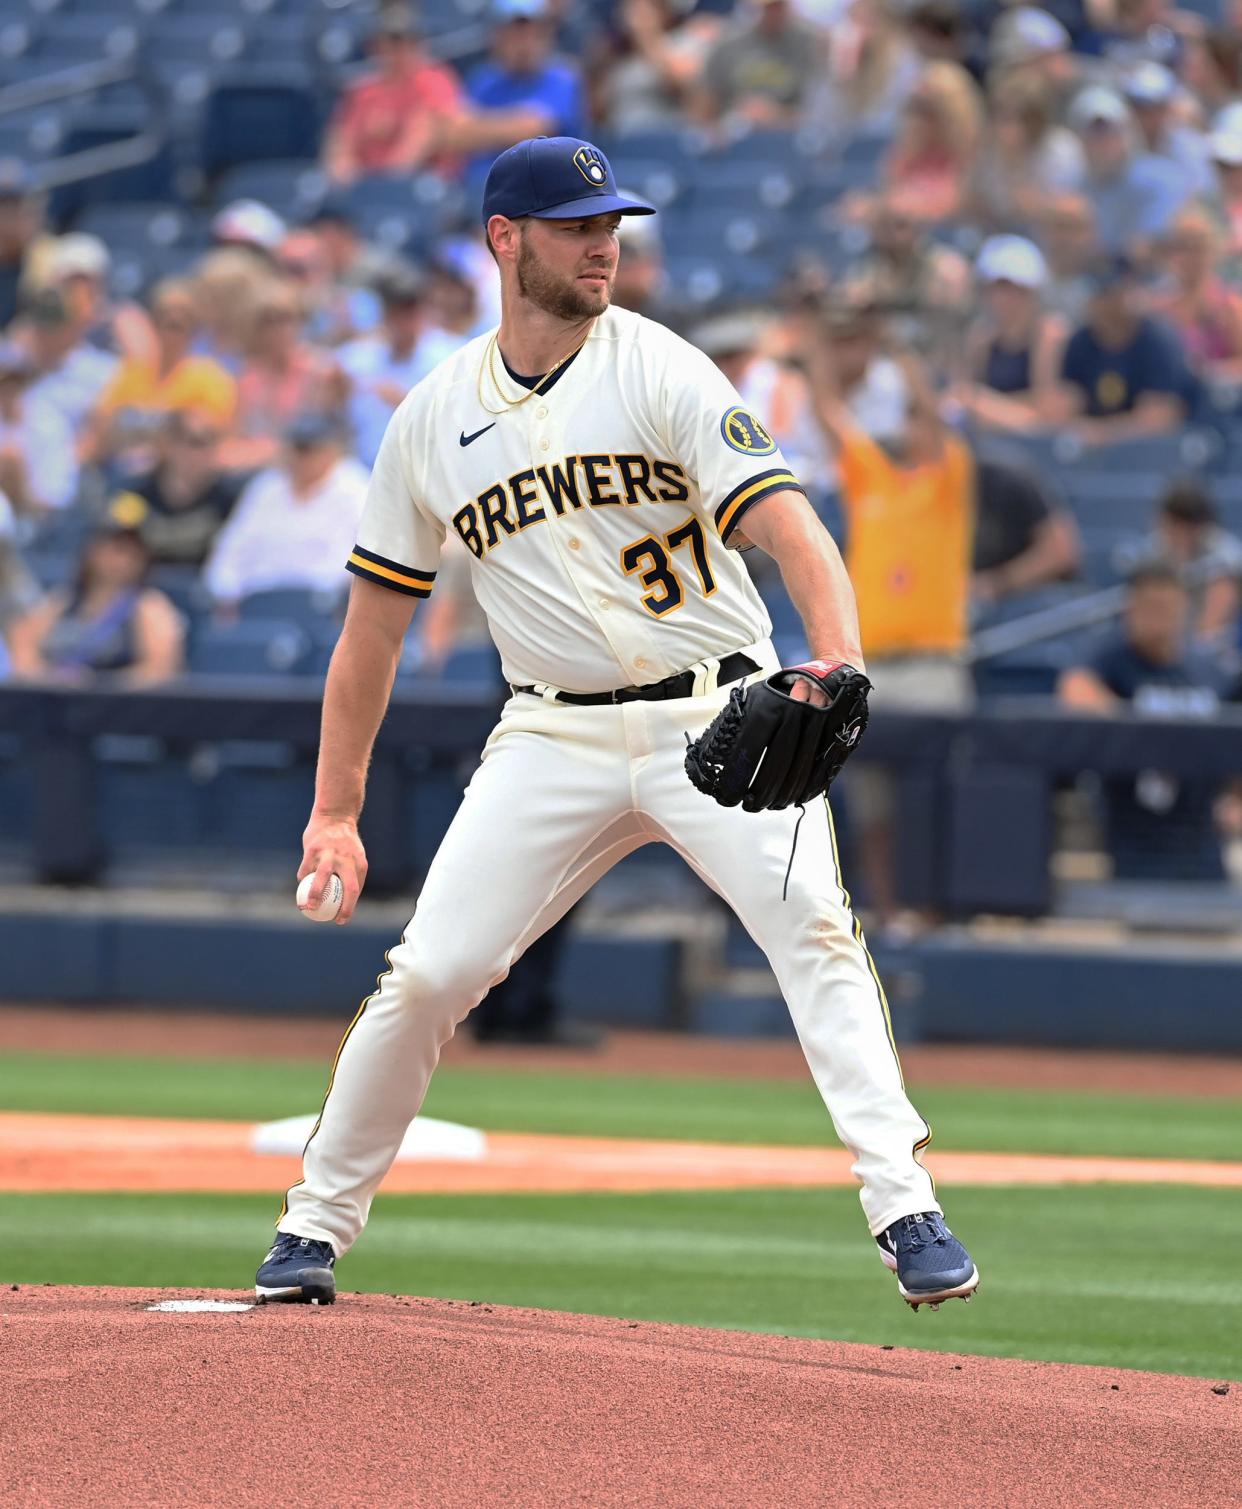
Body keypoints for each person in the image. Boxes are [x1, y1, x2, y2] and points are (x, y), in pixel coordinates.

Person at [253, 134, 977, 1313]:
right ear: (506, 240)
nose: (606, 245)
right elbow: (371, 635)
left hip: (717, 704)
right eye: (579, 226)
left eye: (613, 226)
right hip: (551, 736)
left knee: (814, 931)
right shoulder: (431, 420)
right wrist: (334, 810)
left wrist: (834, 660)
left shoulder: (662, 368)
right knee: (430, 973)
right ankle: (312, 1229)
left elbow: (793, 528)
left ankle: (904, 1204)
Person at [806, 333, 974, 926]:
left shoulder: (948, 482)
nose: (913, 428)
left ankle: (930, 911)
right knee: (871, 801)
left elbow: (934, 415)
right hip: (873, 664)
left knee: (928, 797)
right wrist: (821, 342)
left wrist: (904, 357)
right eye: (906, 419)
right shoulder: (873, 480)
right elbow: (829, 412)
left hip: (932, 665)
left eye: (919, 420)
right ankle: (881, 912)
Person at [1058, 561, 1231, 881]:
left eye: (1165, 607)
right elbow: (1075, 689)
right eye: (1148, 606)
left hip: (1202, 839)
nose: (1157, 618)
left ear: (1184, 607)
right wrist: (1147, 734)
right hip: (1136, 840)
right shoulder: (1112, 659)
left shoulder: (1208, 670)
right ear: (1131, 608)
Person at [203, 412, 368, 609]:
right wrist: (225, 592)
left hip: (320, 604)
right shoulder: (266, 487)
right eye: (296, 447)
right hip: (255, 599)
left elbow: (360, 562)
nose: (300, 456)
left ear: (332, 450)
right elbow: (230, 549)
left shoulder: (355, 488)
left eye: (309, 449)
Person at [6, 501, 184, 683]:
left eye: (131, 550)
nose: (121, 558)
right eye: (114, 546)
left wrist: (96, 686)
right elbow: (22, 647)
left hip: (119, 706)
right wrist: (52, 680)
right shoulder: (63, 601)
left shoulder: (149, 606)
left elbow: (159, 669)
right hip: (56, 705)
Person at [86, 278, 237, 466]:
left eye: (184, 316)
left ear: (195, 326)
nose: (174, 320)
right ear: (154, 322)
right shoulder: (133, 372)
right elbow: (101, 426)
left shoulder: (209, 377)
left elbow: (208, 434)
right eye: (165, 314)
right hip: (121, 471)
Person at [1052, 255, 1192, 442]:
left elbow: (1160, 417)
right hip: (1093, 457)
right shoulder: (1081, 342)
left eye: (1113, 293)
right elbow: (1063, 405)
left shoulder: (1157, 340)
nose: (1107, 304)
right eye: (1100, 294)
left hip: (1153, 455)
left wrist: (1101, 433)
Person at [335, 264, 464, 468]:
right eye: (396, 311)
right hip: (364, 473)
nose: (403, 320)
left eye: (410, 310)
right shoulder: (357, 359)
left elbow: (461, 428)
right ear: (385, 313)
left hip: (427, 470)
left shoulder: (451, 356)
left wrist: (405, 403)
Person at [321, 3, 465, 184]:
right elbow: (341, 143)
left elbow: (424, 135)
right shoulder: (363, 90)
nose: (394, 52)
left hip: (419, 185)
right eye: (387, 43)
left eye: (402, 43)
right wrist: (345, 176)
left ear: (417, 44)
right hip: (363, 186)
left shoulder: (434, 80)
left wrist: (383, 183)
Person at [956, 234, 1067, 432]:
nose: (1002, 299)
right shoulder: (981, 336)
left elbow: (1046, 414)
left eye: (1012, 290)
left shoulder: (1049, 334)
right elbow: (960, 396)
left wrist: (982, 404)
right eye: (995, 289)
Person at [225, 281, 336, 472]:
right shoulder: (246, 377)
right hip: (256, 473)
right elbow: (232, 443)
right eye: (268, 320)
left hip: (310, 470)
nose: (278, 328)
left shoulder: (320, 372)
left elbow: (326, 442)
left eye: (285, 318)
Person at [1067, 84, 1189, 256]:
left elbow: (1149, 248)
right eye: (1094, 134)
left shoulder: (1163, 179)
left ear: (1127, 134)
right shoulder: (1072, 186)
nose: (1104, 143)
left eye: (1110, 133)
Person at [1119, 477, 1242, 643]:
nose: (1180, 534)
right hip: (1160, 647)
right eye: (1174, 525)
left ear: (1203, 525)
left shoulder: (1225, 557)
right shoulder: (1152, 552)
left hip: (1210, 652)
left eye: (1188, 527)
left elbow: (1209, 633)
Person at [112, 410, 241, 567]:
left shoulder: (230, 500)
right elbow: (114, 554)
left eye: (208, 443)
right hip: (144, 584)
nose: (198, 454)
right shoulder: (135, 494)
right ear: (168, 445)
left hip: (199, 585)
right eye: (193, 442)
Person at [463, 0, 585, 166]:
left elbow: (532, 129)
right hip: (481, 186)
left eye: (531, 33)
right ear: (496, 37)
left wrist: (476, 129)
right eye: (513, 34)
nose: (523, 44)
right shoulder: (484, 79)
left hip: (544, 185)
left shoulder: (562, 77)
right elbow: (451, 132)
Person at [971, 75, 1085, 233]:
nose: (1007, 127)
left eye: (1019, 118)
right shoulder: (986, 152)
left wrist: (1039, 207)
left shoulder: (1062, 151)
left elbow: (1071, 211)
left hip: (1048, 239)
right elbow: (978, 208)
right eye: (1002, 115)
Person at [971, 447, 1081, 602]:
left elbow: (1061, 551)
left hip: (1035, 599)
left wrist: (997, 582)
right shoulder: (931, 487)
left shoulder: (1005, 478)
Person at [880, 61, 983, 225]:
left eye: (928, 109)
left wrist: (906, 207)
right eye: (914, 106)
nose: (917, 119)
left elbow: (958, 207)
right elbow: (889, 197)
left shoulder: (974, 157)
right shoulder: (905, 151)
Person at [595, 0, 721, 133]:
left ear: (662, 11)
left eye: (644, 8)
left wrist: (646, 36)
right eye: (630, 8)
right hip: (622, 141)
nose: (635, 15)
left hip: (665, 138)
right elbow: (598, 111)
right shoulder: (619, 55)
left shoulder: (684, 42)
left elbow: (684, 87)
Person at [695, 0, 823, 129]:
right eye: (767, 8)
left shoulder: (810, 43)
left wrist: (777, 115)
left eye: (778, 6)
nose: (773, 13)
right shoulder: (727, 45)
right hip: (736, 134)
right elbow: (703, 108)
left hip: (790, 137)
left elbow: (821, 115)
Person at [1150, 205, 1242, 382]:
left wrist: (1207, 372)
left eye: (1198, 246)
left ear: (1214, 250)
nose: (1189, 256)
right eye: (1181, 246)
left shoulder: (1229, 306)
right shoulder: (1159, 309)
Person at [19, 287, 119, 441]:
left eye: (54, 327)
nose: (45, 335)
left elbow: (100, 436)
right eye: (41, 326)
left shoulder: (104, 372)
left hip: (71, 462)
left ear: (75, 325)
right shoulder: (13, 362)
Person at [0, 340, 77, 520]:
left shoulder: (50, 426)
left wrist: (17, 487)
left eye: (15, 383)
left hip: (33, 523)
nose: (8, 391)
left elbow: (56, 497)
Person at [1122, 62, 1213, 196]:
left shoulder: (1190, 148)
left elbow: (1202, 193)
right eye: (1138, 105)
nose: (1145, 113)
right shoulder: (1121, 144)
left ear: (1167, 107)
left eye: (1153, 106)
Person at [1036, 192, 1102, 325]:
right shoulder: (1026, 283)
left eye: (1075, 228)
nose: (1065, 238)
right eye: (1059, 227)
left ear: (1093, 235)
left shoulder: (1108, 289)